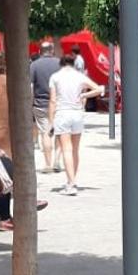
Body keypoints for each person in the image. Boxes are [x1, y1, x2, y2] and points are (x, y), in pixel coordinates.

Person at [0, 60, 48, 231]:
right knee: (10, 172)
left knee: (1, 174)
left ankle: (5, 218)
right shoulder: (13, 80)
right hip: (10, 128)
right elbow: (26, 101)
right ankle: (25, 202)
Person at [48, 54, 103, 195]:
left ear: (61, 63)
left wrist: (50, 121)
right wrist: (83, 96)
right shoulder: (80, 76)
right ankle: (73, 180)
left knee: (66, 149)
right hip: (77, 113)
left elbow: (53, 101)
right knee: (75, 149)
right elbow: (98, 89)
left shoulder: (55, 77)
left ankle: (70, 183)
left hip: (62, 113)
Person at [30, 41, 61, 172]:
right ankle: (57, 161)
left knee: (45, 133)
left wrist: (30, 103)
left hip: (40, 104)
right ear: (52, 50)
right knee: (59, 132)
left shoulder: (34, 65)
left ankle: (48, 164)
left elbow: (30, 86)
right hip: (59, 103)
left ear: (40, 51)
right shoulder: (60, 63)